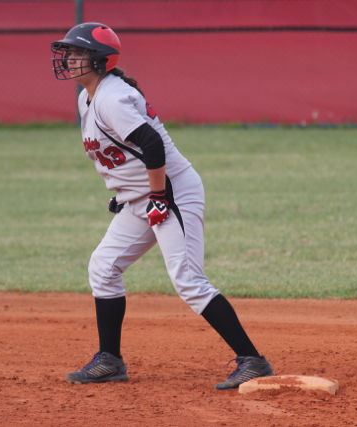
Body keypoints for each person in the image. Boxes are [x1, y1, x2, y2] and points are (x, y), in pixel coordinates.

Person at [50, 22, 275, 390]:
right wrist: (126, 190)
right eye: (69, 53)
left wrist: (156, 196)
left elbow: (152, 145)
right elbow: (122, 155)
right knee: (104, 266)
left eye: (78, 53)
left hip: (172, 191)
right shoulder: (88, 97)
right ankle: (109, 360)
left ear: (100, 61)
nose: (70, 59)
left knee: (188, 279)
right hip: (141, 196)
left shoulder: (110, 97)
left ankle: (253, 361)